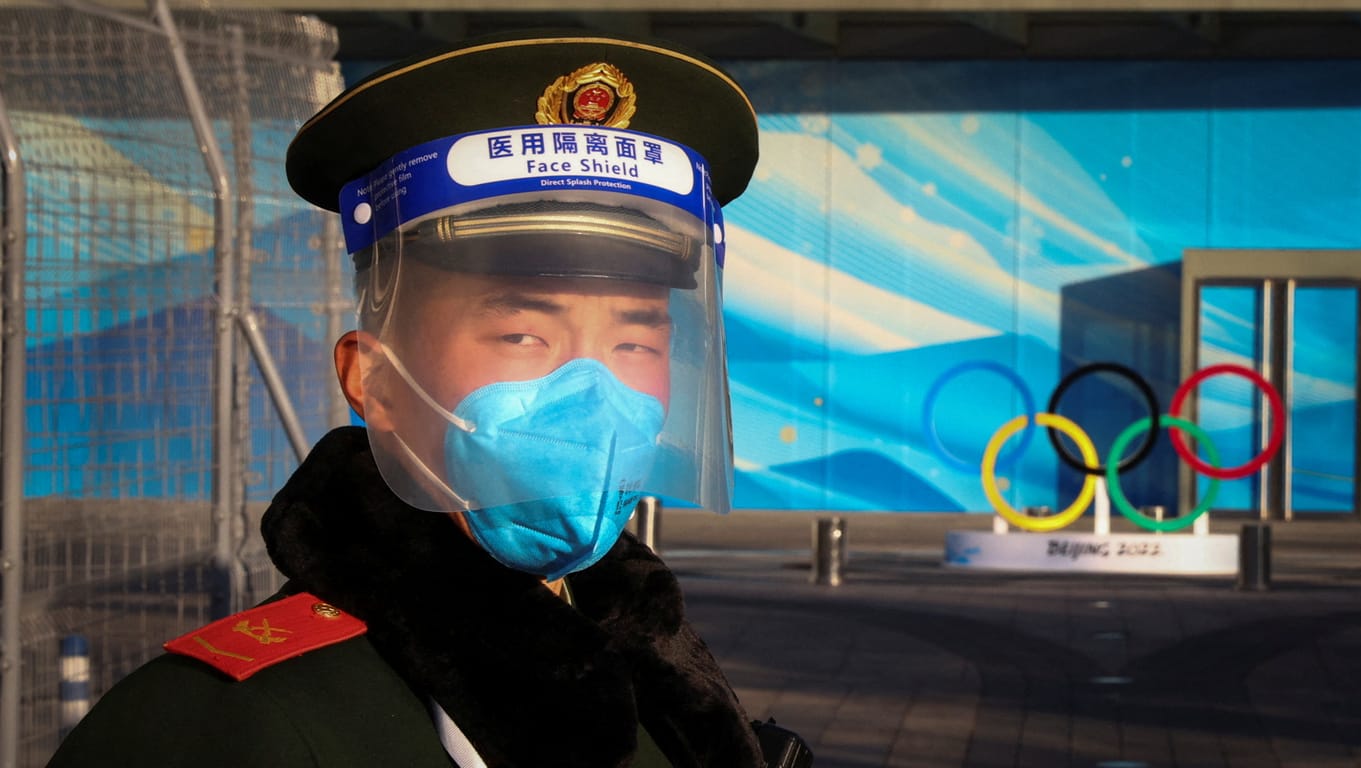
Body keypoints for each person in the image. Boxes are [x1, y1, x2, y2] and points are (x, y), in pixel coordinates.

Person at [47, 29, 799, 768]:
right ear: (373, 382)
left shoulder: (654, 680)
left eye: (636, 343)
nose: (596, 396)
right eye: (521, 336)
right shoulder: (227, 727)